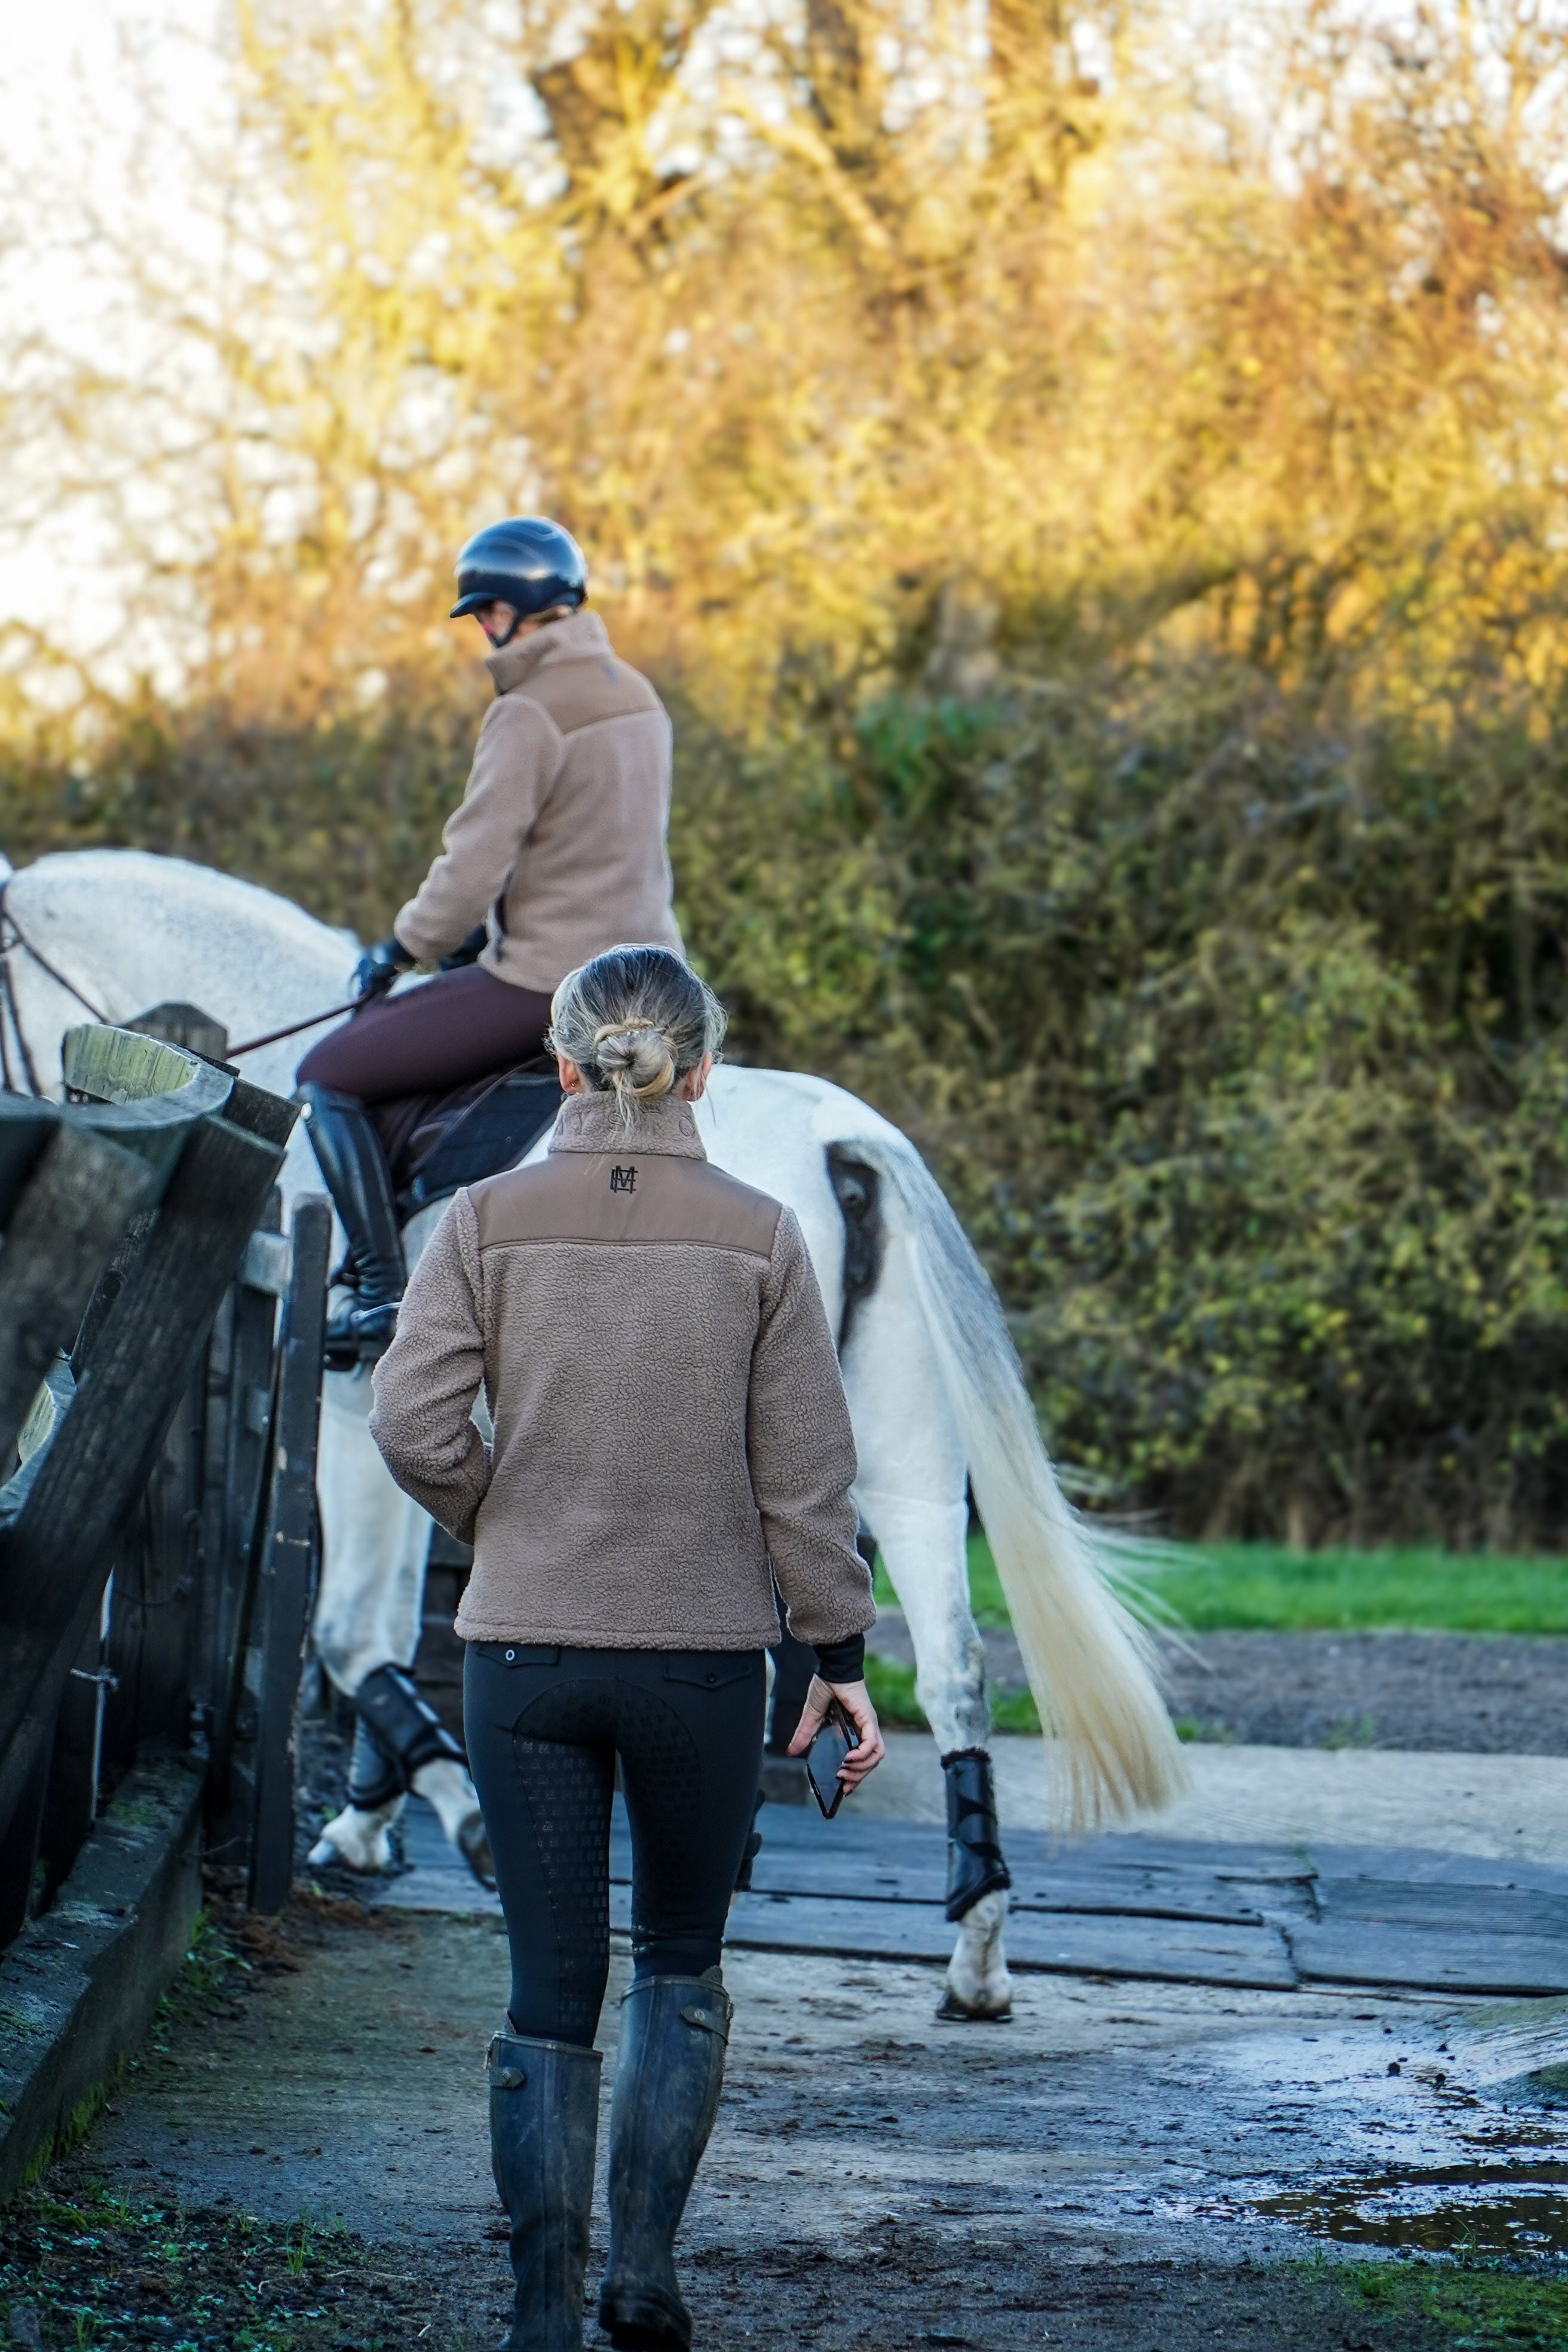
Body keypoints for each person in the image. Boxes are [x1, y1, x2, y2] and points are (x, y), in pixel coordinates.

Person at [368, 944, 884, 2352]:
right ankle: (642, 2278)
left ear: (558, 1064)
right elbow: (806, 1485)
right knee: (678, 1958)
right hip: (699, 1664)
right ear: (701, 1068)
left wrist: (506, 1515)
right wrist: (834, 1651)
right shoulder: (764, 1236)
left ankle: (540, 2309)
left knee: (546, 1985)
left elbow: (409, 1426)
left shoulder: (478, 1220)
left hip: (519, 1662)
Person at [298, 515, 683, 1365]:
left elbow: (471, 866)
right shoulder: (638, 695)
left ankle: (377, 1293)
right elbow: (594, 841)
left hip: (550, 983)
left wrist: (402, 949)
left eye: (482, 615)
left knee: (327, 1074)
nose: (480, 631)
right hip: (655, 983)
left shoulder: (529, 713)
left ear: (510, 612)